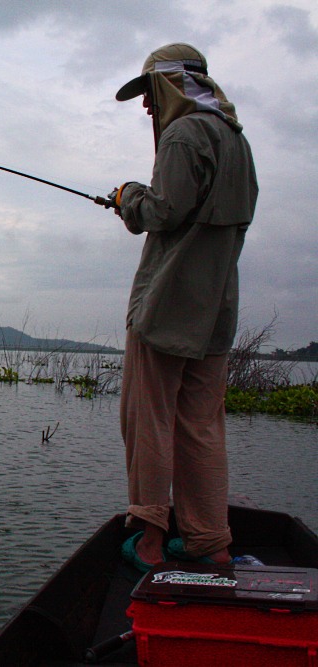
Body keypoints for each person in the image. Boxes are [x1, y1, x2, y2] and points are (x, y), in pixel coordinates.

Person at [110, 43, 259, 571]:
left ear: (171, 85)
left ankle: (150, 541)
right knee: (201, 426)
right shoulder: (237, 143)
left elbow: (163, 209)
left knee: (147, 420)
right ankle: (210, 543)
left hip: (167, 306)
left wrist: (128, 197)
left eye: (149, 93)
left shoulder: (182, 135)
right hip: (216, 311)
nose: (147, 107)